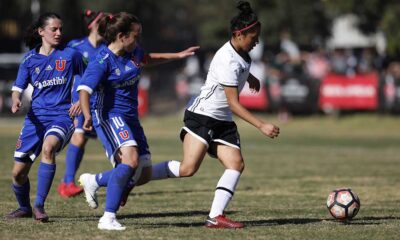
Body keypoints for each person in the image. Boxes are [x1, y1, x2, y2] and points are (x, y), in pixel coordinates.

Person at [149, 1, 280, 229]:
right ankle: (137, 176)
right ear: (239, 34)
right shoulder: (227, 59)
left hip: (222, 121)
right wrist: (261, 125)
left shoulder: (241, 52)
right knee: (187, 169)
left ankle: (215, 216)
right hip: (202, 116)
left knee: (236, 164)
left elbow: (241, 68)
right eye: (253, 37)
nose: (256, 41)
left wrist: (250, 78)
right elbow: (234, 104)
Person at [77, 12, 199, 231]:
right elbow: (84, 90)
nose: (139, 40)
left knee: (142, 174)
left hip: (131, 118)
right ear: (122, 36)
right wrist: (86, 115)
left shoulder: (133, 53)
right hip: (109, 115)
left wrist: (178, 55)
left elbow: (148, 58)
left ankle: (94, 181)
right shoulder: (102, 61)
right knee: (130, 161)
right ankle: (108, 218)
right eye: (136, 35)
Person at [5, 12, 85, 222]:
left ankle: (39, 206)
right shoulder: (30, 59)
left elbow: (87, 80)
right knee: (17, 174)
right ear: (41, 32)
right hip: (35, 119)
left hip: (62, 116)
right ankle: (24, 208)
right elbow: (18, 87)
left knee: (49, 148)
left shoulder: (71, 55)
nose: (59, 33)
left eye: (60, 29)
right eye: (54, 29)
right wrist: (15, 99)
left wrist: (80, 101)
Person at [57, 9, 106, 198]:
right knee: (78, 137)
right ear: (93, 24)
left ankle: (123, 179)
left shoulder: (108, 48)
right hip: (80, 102)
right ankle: (68, 182)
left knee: (86, 140)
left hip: (101, 104)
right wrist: (73, 99)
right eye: (103, 21)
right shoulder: (75, 46)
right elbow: (63, 72)